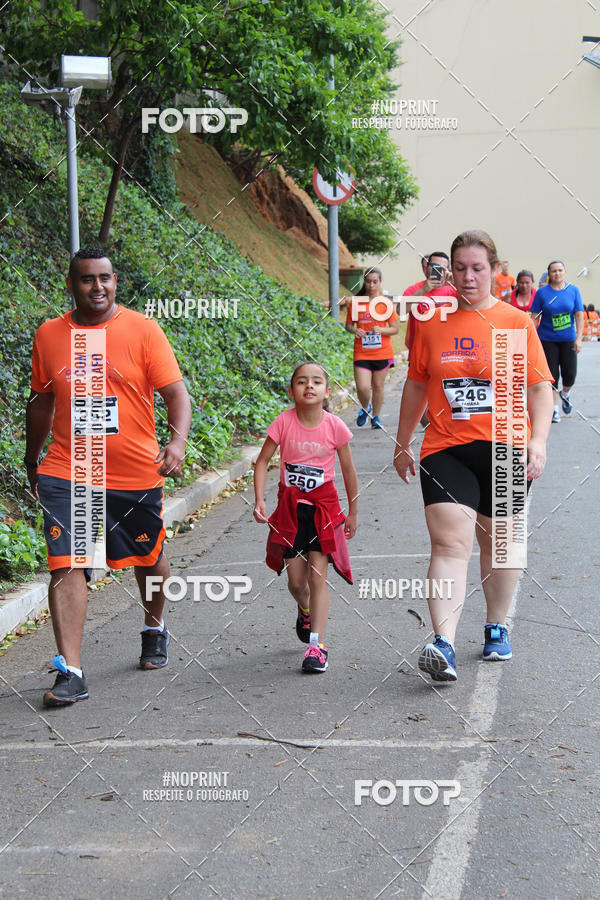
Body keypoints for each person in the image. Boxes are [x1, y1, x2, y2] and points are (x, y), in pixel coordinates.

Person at [25, 247, 191, 707]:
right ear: (71, 285)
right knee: (67, 561)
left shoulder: (142, 330)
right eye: (86, 280)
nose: (97, 287)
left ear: (115, 281)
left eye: (105, 278)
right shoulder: (50, 335)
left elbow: (176, 395)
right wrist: (31, 456)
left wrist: (175, 444)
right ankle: (71, 670)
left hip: (134, 469)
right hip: (68, 468)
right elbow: (41, 402)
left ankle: (154, 625)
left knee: (148, 556)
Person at [393, 229, 553, 683]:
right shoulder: (432, 323)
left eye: (476, 268)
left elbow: (540, 388)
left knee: (499, 546)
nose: (466, 277)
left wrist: (537, 442)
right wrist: (403, 442)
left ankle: (496, 624)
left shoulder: (515, 323)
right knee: (449, 543)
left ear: (494, 270)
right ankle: (443, 643)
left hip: (505, 448)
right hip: (446, 448)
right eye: (458, 268)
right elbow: (417, 384)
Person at [253, 362, 358, 673]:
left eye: (316, 382)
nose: (308, 386)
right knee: (298, 582)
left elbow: (350, 471)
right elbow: (262, 462)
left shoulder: (335, 426)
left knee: (317, 576)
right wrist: (259, 499)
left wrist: (353, 511)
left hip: (323, 509)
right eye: (301, 382)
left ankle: (316, 646)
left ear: (327, 391)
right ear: (292, 391)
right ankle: (305, 608)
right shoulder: (284, 423)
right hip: (290, 510)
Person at [344, 267, 399, 430]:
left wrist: (381, 330)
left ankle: (376, 416)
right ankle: (366, 407)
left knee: (378, 386)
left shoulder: (386, 303)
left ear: (380, 282)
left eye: (375, 282)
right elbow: (348, 325)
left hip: (382, 351)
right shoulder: (356, 302)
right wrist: (355, 330)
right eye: (368, 281)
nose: (371, 285)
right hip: (362, 351)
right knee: (363, 387)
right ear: (364, 282)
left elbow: (395, 328)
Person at [530, 260, 584, 423]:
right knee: (552, 376)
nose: (557, 274)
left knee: (570, 375)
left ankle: (565, 393)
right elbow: (534, 316)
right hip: (547, 339)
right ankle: (554, 409)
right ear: (549, 274)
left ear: (565, 273)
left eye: (560, 270)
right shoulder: (542, 293)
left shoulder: (573, 290)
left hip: (568, 339)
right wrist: (532, 338)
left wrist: (579, 338)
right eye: (554, 271)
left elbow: (579, 314)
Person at [403, 251, 458, 355]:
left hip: (444, 352)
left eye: (443, 268)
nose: (438, 270)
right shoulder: (415, 289)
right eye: (434, 266)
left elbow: (474, 305)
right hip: (418, 352)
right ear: (426, 267)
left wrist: (457, 283)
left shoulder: (453, 290)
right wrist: (424, 290)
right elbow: (401, 311)